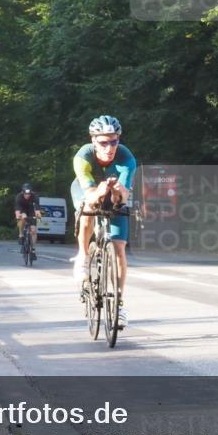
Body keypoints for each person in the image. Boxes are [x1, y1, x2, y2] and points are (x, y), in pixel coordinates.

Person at [71, 115, 136, 329]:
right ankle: (83, 254)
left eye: (114, 141)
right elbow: (89, 195)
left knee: (119, 249)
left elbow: (123, 197)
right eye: (103, 142)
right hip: (87, 190)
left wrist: (116, 192)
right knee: (89, 208)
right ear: (93, 141)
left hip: (115, 192)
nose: (109, 147)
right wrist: (100, 191)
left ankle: (118, 304)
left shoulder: (126, 158)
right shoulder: (83, 157)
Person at [14, 183, 42, 256]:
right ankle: (21, 234)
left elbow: (37, 208)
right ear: (23, 192)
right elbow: (17, 210)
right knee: (23, 217)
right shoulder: (19, 197)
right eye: (26, 194)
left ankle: (33, 249)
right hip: (22, 209)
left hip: (31, 210)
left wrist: (38, 215)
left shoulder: (35, 196)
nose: (27, 195)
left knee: (33, 230)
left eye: (29, 194)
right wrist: (18, 216)